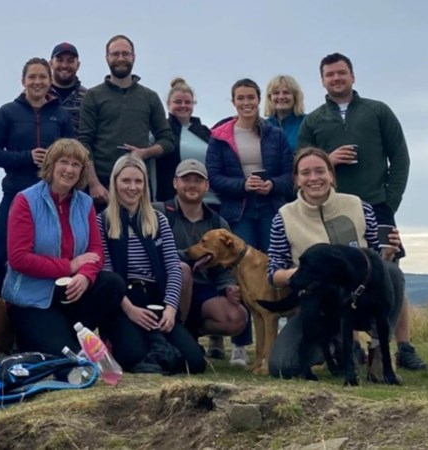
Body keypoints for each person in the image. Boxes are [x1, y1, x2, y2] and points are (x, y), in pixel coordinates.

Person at [297, 53, 427, 371]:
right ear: (322, 80)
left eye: (341, 73)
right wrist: (328, 160)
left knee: (390, 274)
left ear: (353, 76)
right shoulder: (313, 120)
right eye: (330, 74)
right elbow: (302, 159)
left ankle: (401, 347)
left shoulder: (378, 110)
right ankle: (351, 347)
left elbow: (400, 157)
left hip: (377, 204)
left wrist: (390, 201)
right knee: (344, 278)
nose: (336, 78)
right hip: (333, 207)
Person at [266, 147, 405, 378]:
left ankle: (379, 351)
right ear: (296, 180)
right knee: (283, 366)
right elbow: (273, 274)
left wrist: (388, 253)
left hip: (360, 301)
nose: (314, 178)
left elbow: (375, 261)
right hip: (319, 304)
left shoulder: (359, 206)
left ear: (331, 175)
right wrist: (307, 273)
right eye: (305, 173)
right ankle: (333, 345)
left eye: (320, 171)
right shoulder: (283, 217)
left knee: (391, 272)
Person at [3, 139, 124, 355]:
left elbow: (96, 251)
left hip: (71, 292)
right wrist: (69, 266)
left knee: (112, 284)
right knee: (67, 358)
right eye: (64, 162)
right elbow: (18, 258)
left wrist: (85, 276)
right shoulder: (25, 200)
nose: (69, 170)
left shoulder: (85, 203)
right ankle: (47, 337)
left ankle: (74, 335)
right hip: (33, 299)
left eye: (76, 165)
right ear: (51, 164)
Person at [205, 78, 294, 365]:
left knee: (274, 274)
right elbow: (213, 177)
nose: (246, 103)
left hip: (270, 210)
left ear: (258, 100)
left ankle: (276, 350)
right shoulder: (219, 137)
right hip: (238, 212)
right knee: (241, 279)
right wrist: (243, 185)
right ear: (233, 102)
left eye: (251, 98)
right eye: (240, 98)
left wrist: (272, 185)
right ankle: (241, 345)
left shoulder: (274, 134)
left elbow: (290, 175)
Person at [97, 155, 206, 374]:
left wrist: (170, 309)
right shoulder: (102, 221)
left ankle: (161, 348)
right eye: (126, 181)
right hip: (124, 301)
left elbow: (173, 267)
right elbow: (106, 272)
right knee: (133, 356)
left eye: (138, 181)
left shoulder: (158, 219)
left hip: (156, 299)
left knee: (194, 362)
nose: (132, 187)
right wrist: (130, 310)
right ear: (115, 182)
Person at [0, 57, 75, 294]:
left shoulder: (61, 115)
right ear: (23, 81)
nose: (37, 82)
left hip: (51, 198)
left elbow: (73, 153)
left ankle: (41, 308)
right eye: (32, 77)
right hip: (16, 192)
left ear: (50, 80)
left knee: (47, 256)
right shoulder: (8, 112)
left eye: (42, 77)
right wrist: (27, 157)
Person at [154, 159, 247, 350]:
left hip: (203, 291)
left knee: (237, 318)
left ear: (207, 186)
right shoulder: (158, 212)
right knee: (183, 271)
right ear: (175, 183)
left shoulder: (218, 223)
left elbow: (225, 266)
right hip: (163, 288)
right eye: (186, 179)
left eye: (198, 180)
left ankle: (191, 332)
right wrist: (189, 257)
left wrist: (228, 287)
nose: (192, 185)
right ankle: (174, 338)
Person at [78, 34, 174, 206]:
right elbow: (84, 143)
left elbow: (167, 140)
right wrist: (93, 184)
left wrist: (145, 153)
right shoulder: (92, 96)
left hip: (137, 185)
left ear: (133, 57)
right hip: (103, 187)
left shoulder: (149, 97)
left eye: (125, 54)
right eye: (115, 54)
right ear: (107, 58)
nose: (120, 58)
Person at [155, 78, 216, 206]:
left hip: (211, 201)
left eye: (187, 102)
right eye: (178, 102)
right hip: (173, 202)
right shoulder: (160, 130)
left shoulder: (205, 132)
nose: (183, 105)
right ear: (168, 103)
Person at [49, 42, 87, 133]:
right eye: (60, 60)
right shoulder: (40, 94)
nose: (64, 65)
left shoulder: (88, 97)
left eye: (70, 61)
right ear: (51, 64)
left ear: (78, 65)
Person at [264, 75, 306, 149]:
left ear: (295, 96)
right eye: (276, 93)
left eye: (286, 92)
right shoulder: (263, 126)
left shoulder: (307, 122)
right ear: (270, 97)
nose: (281, 97)